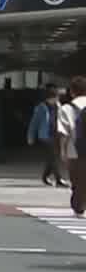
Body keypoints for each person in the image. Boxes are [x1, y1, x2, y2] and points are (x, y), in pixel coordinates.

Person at [31, 86, 66, 187]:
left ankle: (45, 176)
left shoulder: (58, 106)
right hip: (45, 136)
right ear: (49, 98)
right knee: (53, 157)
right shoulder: (41, 108)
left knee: (53, 158)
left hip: (56, 134)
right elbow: (34, 123)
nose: (57, 99)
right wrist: (31, 136)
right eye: (55, 97)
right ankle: (58, 179)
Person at [61, 77, 86, 216]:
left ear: (71, 92)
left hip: (74, 150)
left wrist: (62, 151)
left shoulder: (66, 108)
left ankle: (79, 206)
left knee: (77, 180)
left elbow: (64, 133)